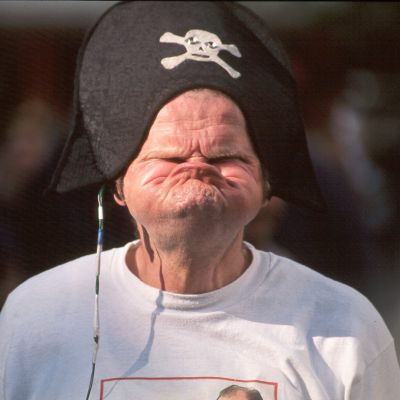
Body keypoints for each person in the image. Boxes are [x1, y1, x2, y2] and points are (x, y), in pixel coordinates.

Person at [1, 2, 399, 399]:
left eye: (225, 156)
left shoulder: (343, 328)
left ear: (266, 188)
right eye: (171, 157)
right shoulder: (38, 315)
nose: (197, 168)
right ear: (118, 185)